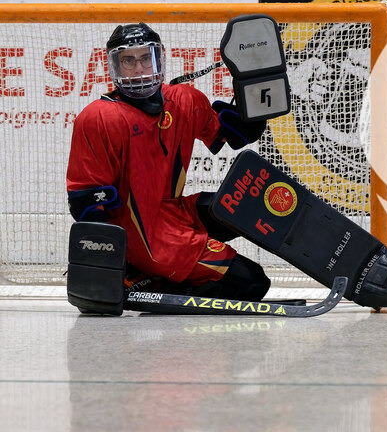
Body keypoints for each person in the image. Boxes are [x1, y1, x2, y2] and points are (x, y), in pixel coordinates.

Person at [66, 22, 271, 303]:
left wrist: (254, 85)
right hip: (145, 238)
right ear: (114, 66)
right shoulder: (98, 118)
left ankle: (147, 275)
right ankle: (142, 275)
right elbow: (85, 201)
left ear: (159, 58)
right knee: (253, 282)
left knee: (245, 209)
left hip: (175, 213)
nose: (139, 68)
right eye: (128, 60)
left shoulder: (184, 99)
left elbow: (236, 136)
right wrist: (108, 264)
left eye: (145, 58)